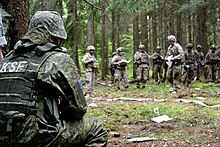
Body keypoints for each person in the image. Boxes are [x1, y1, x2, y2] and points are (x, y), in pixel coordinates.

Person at [0, 11, 107, 146]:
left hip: (3, 136)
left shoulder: (7, 59)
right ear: (56, 36)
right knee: (97, 130)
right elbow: (78, 109)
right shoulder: (57, 59)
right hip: (36, 136)